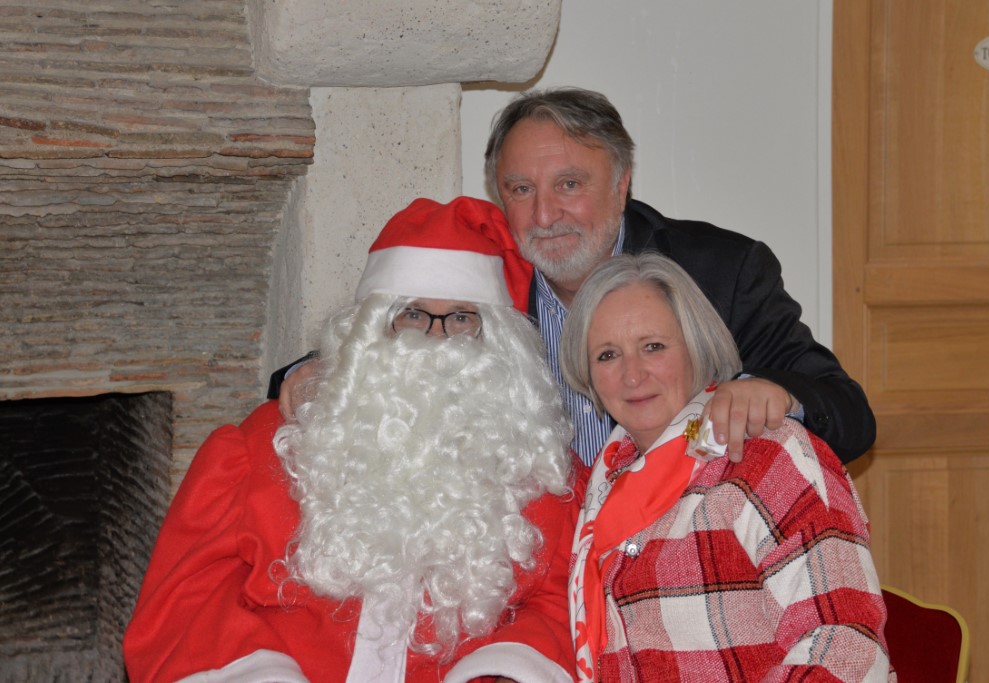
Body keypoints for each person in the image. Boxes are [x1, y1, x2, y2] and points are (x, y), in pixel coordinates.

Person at [271, 87, 874, 467]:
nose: (544, 216)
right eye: (521, 190)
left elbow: (850, 417)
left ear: (621, 183)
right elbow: (362, 347)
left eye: (569, 184)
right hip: (537, 571)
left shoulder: (722, 271)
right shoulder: (486, 276)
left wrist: (777, 396)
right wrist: (308, 376)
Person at [123, 197, 580, 683]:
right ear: (369, 331)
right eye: (412, 315)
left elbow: (561, 604)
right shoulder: (261, 446)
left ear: (499, 342)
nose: (435, 339)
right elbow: (185, 597)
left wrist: (505, 673)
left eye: (462, 318)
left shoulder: (542, 470)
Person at [560, 252, 893, 682]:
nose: (632, 375)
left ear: (696, 346)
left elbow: (847, 646)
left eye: (653, 346)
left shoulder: (767, 456)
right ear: (587, 375)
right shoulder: (600, 485)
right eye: (607, 355)